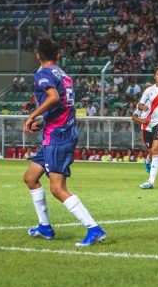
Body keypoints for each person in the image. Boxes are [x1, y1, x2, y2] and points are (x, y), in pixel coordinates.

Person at [22, 36, 106, 247]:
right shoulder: (64, 75)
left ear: (38, 55)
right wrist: (42, 122)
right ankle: (45, 227)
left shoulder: (43, 73)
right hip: (57, 131)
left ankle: (94, 228)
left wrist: (32, 116)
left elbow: (53, 99)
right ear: (58, 56)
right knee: (31, 177)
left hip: (58, 137)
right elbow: (63, 107)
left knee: (57, 188)